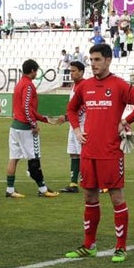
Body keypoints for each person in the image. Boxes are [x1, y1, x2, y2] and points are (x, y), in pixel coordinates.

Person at [64, 44, 134, 262]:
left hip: (111, 151)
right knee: (89, 195)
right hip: (89, 151)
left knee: (116, 197)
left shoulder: (119, 85)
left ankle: (120, 247)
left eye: (97, 60)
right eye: (91, 60)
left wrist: (125, 121)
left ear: (108, 60)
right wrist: (76, 129)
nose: (93, 64)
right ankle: (89, 245)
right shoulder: (84, 87)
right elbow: (71, 109)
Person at [5, 59, 65, 199]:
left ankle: (10, 189)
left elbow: (25, 108)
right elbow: (27, 108)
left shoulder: (19, 84)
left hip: (15, 126)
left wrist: (44, 119)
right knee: (34, 159)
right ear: (32, 70)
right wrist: (33, 124)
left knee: (13, 158)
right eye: (36, 70)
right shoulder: (28, 85)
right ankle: (43, 189)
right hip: (25, 128)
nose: (36, 73)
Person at [61, 61, 87, 193]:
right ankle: (73, 184)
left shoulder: (84, 85)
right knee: (73, 154)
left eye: (74, 71)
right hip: (73, 125)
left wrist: (68, 118)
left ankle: (95, 183)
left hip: (82, 126)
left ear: (81, 72)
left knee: (85, 155)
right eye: (70, 71)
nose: (71, 73)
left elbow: (83, 106)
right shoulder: (74, 85)